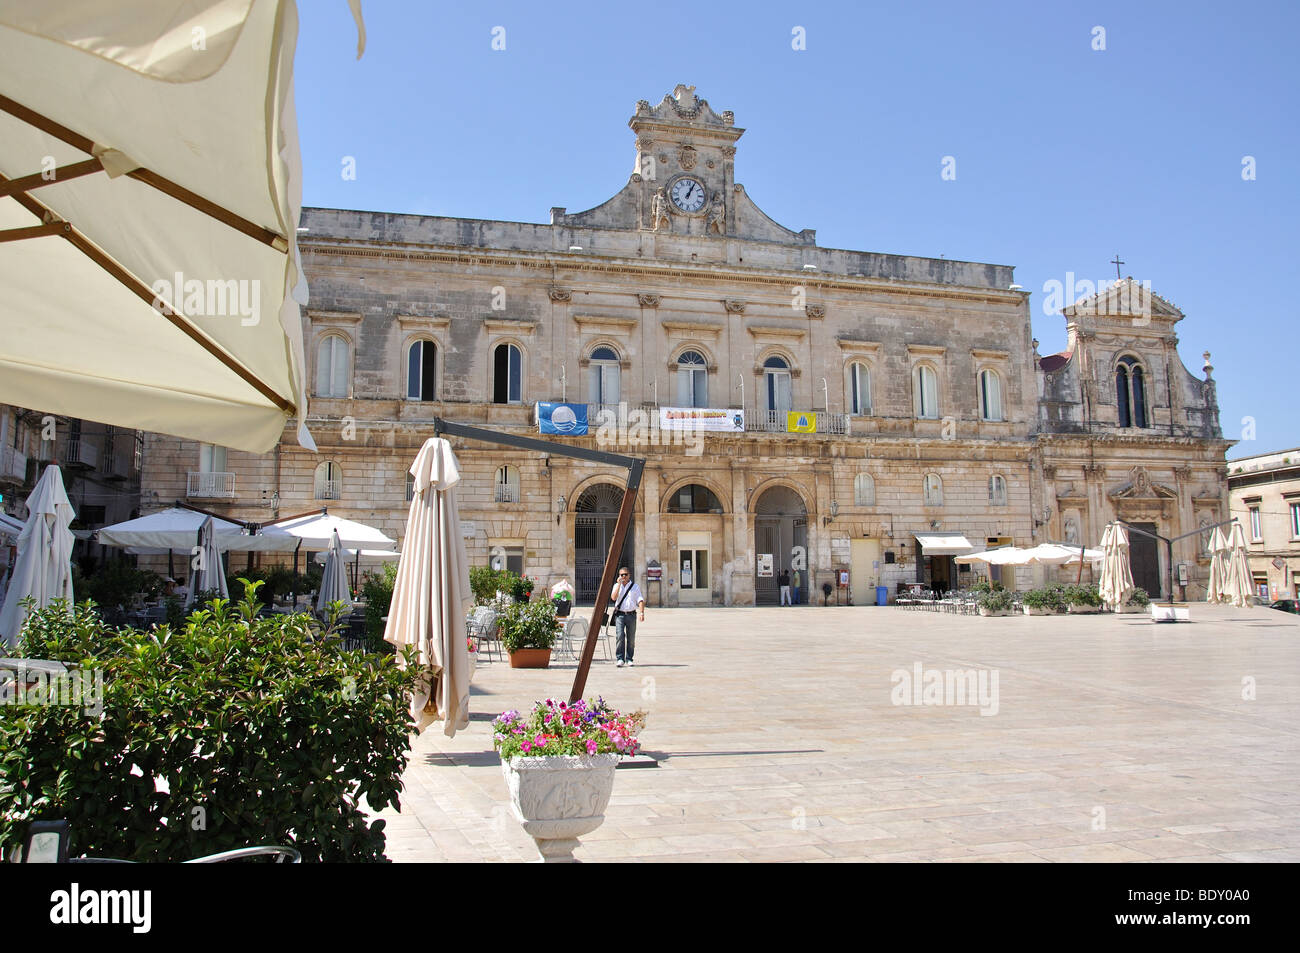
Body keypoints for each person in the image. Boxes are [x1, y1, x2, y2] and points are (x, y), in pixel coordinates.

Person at [609, 566, 645, 667]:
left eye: (625, 574)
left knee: (631, 638)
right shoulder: (617, 585)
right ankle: (620, 658)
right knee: (620, 636)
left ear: (629, 575)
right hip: (620, 615)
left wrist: (642, 613)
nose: (623, 576)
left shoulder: (635, 586)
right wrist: (619, 584)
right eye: (621, 575)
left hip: (631, 614)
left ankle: (629, 658)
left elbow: (640, 600)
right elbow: (613, 597)